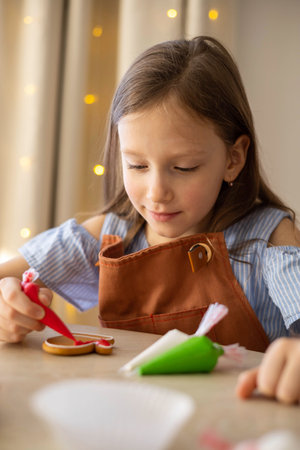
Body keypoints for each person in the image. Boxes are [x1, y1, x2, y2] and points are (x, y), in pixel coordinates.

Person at [0, 36, 299, 404]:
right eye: (137, 165)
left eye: (183, 167)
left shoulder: (269, 239)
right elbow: (7, 278)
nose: (156, 192)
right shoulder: (110, 235)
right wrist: (8, 306)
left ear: (233, 159)